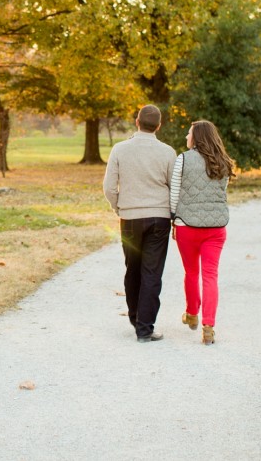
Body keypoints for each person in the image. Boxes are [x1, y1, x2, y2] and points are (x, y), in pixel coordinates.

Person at [103, 104, 177, 343]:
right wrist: (173, 215)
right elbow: (173, 187)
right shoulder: (167, 152)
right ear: (159, 125)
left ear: (137, 122)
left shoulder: (120, 149)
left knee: (132, 269)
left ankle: (136, 318)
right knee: (152, 272)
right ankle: (144, 327)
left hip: (130, 218)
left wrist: (119, 207)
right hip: (159, 218)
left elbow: (109, 187)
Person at [170, 120, 236, 346]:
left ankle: (191, 313)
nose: (186, 137)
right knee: (210, 275)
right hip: (216, 228)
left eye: (188, 133)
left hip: (187, 226)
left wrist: (173, 218)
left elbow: (174, 193)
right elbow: (221, 191)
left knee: (190, 272)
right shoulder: (224, 162)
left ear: (196, 137)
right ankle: (209, 325)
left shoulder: (183, 159)